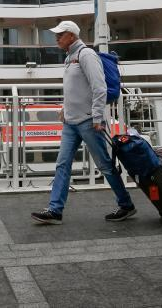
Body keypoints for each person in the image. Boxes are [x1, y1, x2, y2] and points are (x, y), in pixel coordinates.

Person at [30, 20, 136, 225]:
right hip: (71, 122)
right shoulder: (69, 58)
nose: (56, 38)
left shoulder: (86, 55)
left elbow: (99, 87)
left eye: (60, 34)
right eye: (56, 34)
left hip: (88, 121)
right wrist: (65, 109)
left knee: (104, 165)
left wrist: (97, 117)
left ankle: (126, 204)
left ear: (72, 35)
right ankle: (55, 210)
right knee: (62, 164)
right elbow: (74, 89)